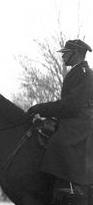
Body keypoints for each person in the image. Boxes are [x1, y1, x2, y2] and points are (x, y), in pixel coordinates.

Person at [27, 39, 93, 193]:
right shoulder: (76, 72)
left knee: (61, 140)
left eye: (65, 53)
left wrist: (41, 108)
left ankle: (74, 185)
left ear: (76, 54)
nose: (63, 57)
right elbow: (67, 104)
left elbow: (71, 106)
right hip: (76, 116)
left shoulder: (85, 74)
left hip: (83, 119)